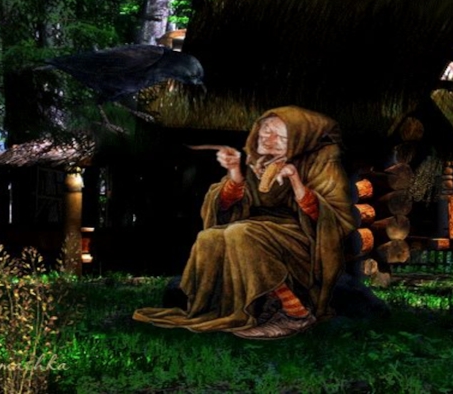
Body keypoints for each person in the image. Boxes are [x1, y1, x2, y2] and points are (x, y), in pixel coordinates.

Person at [133, 105, 356, 339]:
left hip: (302, 237)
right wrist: (234, 172)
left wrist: (295, 179)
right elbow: (226, 205)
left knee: (241, 233)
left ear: (299, 140)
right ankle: (220, 307)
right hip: (257, 227)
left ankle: (296, 313)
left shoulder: (323, 164)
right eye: (265, 131)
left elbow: (333, 218)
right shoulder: (256, 162)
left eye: (279, 136)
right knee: (210, 237)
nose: (267, 139)